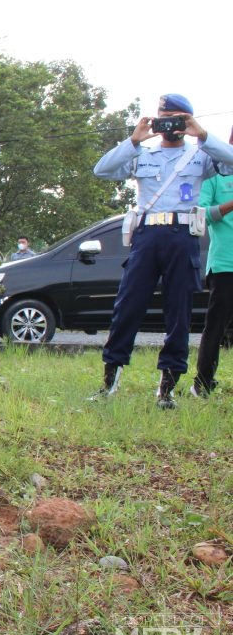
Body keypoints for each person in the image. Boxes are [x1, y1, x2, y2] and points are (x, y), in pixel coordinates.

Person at [91, 94, 233, 408]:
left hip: (182, 236)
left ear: (187, 121)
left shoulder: (201, 156)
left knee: (178, 312)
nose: (171, 124)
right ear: (156, 119)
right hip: (147, 235)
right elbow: (101, 169)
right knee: (127, 305)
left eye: (178, 118)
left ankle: (166, 390)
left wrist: (203, 134)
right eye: (165, 117)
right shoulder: (143, 154)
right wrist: (134, 139)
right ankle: (109, 384)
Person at [192, 127, 233, 398]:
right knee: (216, 327)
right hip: (225, 265)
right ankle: (202, 383)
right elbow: (201, 215)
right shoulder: (214, 175)